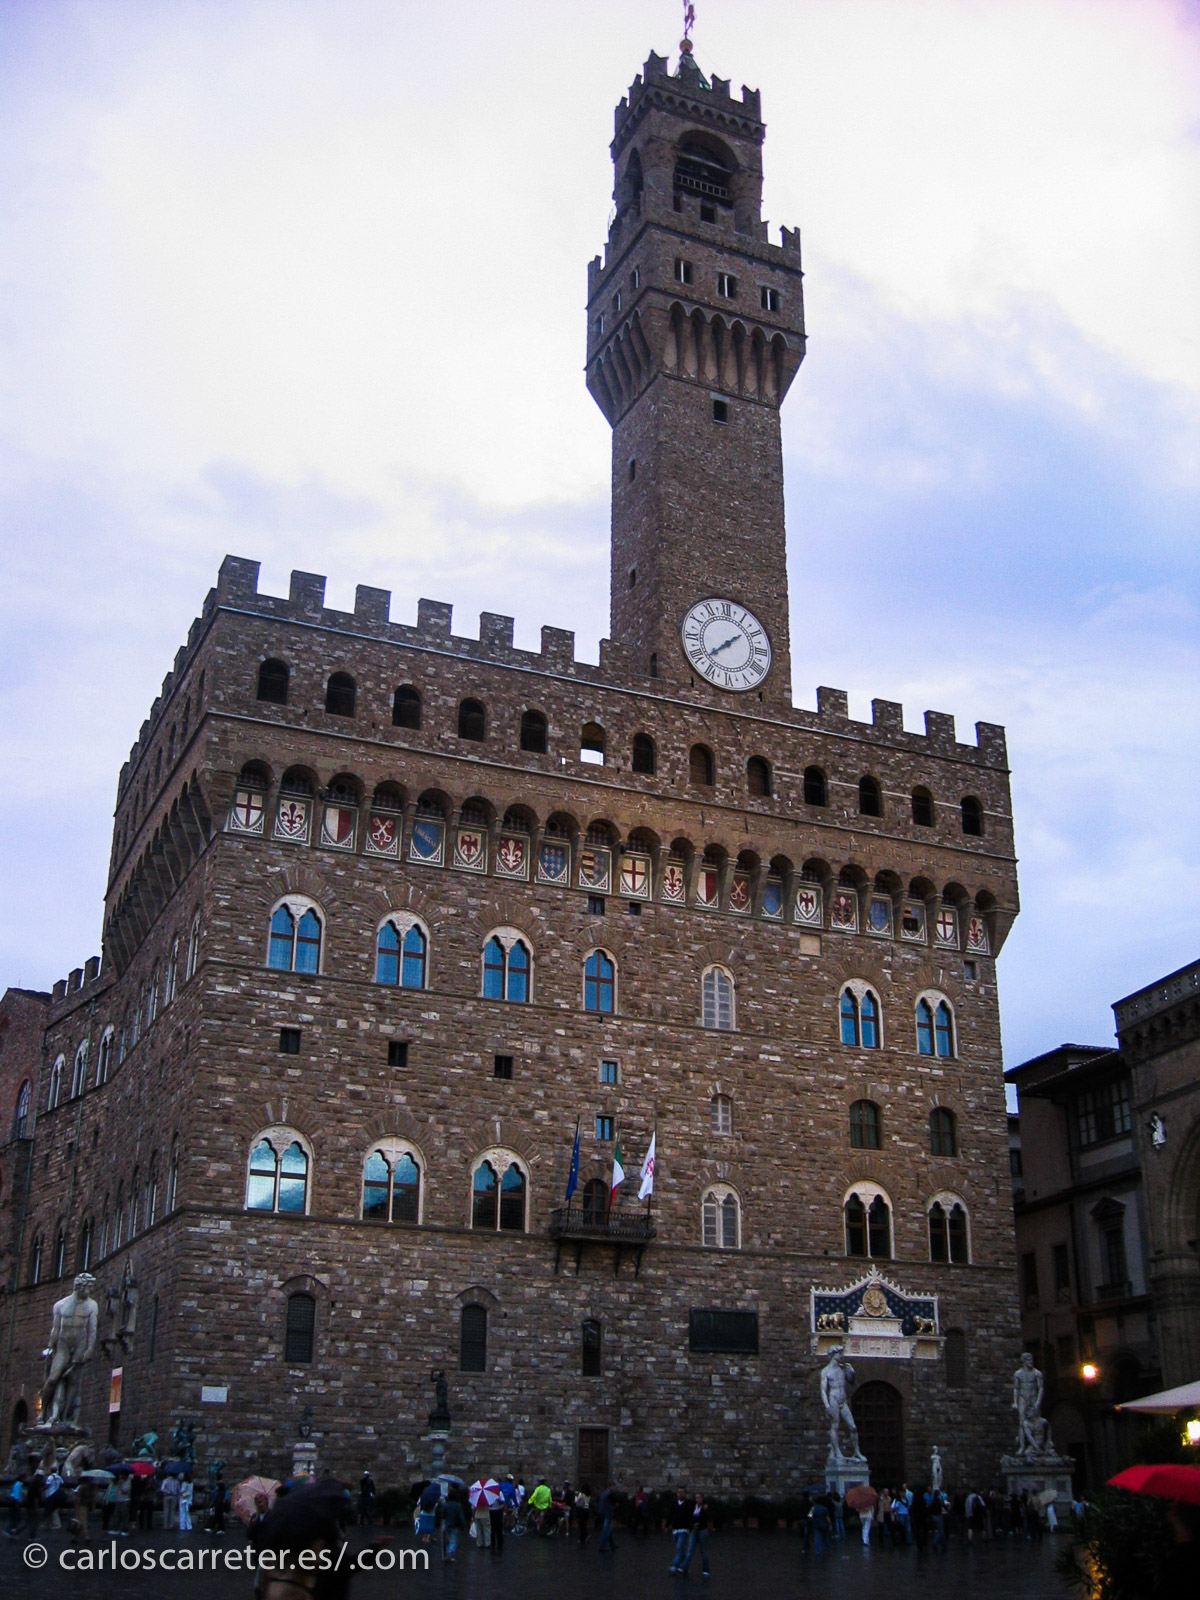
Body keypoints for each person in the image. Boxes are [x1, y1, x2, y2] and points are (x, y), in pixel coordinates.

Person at [682, 1490, 710, 1577]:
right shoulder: (693, 1507)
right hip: (693, 1531)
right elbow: (690, 1518)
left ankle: (706, 1569)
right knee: (690, 1550)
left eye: (699, 1497)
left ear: (702, 1498)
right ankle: (685, 1568)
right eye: (696, 1497)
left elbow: (704, 1518)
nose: (698, 1499)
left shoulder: (704, 1508)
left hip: (702, 1531)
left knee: (703, 1551)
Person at [669, 1489, 691, 1573]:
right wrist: (667, 1525)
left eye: (682, 1492)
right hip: (675, 1530)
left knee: (679, 1548)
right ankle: (684, 1567)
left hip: (684, 1529)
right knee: (681, 1550)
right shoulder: (674, 1503)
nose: (681, 1494)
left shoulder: (688, 1504)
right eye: (679, 1492)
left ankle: (674, 1565)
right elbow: (670, 1514)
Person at [441, 1489, 465, 1562]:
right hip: (455, 1525)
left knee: (447, 1540)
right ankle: (450, 1554)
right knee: (453, 1540)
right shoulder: (458, 1505)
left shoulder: (445, 1505)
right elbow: (461, 1516)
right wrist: (463, 1525)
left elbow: (443, 1515)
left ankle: (446, 1554)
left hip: (447, 1524)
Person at [597, 1483, 617, 1553]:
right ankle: (602, 1547)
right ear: (609, 1487)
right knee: (606, 1530)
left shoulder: (604, 1493)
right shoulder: (609, 1494)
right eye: (613, 1486)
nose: (614, 1488)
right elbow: (614, 1503)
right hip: (607, 1512)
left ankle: (612, 1545)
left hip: (603, 1512)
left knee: (608, 1529)